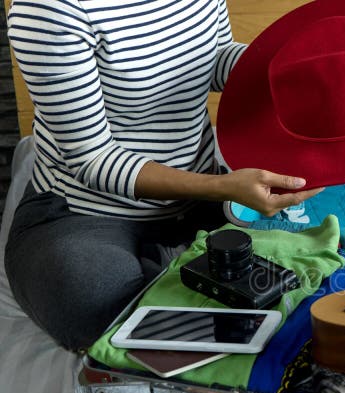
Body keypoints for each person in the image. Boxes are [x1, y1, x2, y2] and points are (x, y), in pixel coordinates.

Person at [4, 0, 323, 351]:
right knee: (100, 306)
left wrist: (284, 67)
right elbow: (92, 159)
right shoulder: (49, 9)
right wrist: (220, 187)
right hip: (87, 214)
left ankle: (170, 273)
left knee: (299, 278)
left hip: (201, 202)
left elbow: (212, 58)